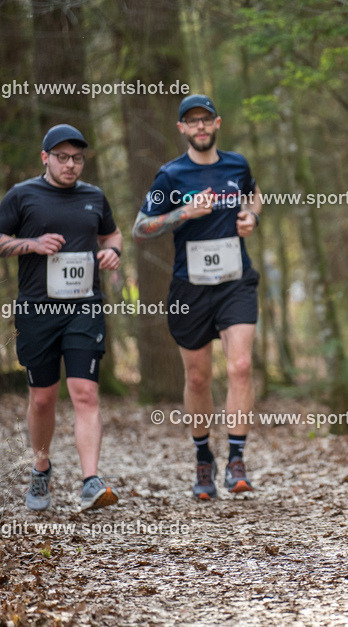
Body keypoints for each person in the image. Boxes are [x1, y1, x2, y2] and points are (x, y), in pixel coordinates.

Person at [0, 124, 122, 512]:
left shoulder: (94, 197)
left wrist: (113, 253)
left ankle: (91, 481)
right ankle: (41, 468)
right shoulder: (22, 195)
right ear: (45, 158)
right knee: (43, 398)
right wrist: (32, 244)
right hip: (38, 310)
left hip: (84, 307)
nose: (70, 164)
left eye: (77, 158)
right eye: (62, 157)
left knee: (85, 392)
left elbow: (113, 235)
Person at [133, 94, 263, 500]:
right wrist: (183, 214)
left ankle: (236, 458)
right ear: (182, 129)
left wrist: (252, 216)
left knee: (240, 366)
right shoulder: (171, 175)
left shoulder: (236, 165)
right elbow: (140, 228)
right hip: (189, 287)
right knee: (197, 377)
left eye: (206, 120)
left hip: (235, 281)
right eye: (192, 121)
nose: (200, 127)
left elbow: (255, 194)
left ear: (217, 123)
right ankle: (204, 457)